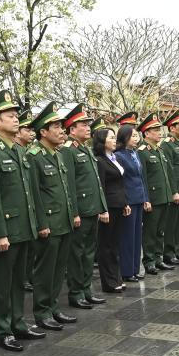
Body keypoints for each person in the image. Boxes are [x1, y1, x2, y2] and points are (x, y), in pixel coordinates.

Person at [0, 91, 44, 352]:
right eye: (10, 116)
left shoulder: (19, 151)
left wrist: (35, 223)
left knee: (18, 281)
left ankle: (18, 323)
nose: (16, 120)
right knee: (2, 284)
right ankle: (3, 330)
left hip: (23, 228)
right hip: (5, 231)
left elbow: (28, 193)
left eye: (17, 116)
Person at [27, 102, 80, 330]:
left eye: (61, 126)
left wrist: (73, 214)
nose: (61, 131)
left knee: (59, 269)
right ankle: (42, 311)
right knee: (45, 270)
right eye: (56, 127)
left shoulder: (58, 155)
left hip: (64, 221)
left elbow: (67, 189)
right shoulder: (34, 156)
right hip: (48, 223)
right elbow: (34, 194)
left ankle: (54, 307)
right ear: (43, 132)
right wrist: (41, 223)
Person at [60, 104, 108, 310]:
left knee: (89, 252)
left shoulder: (85, 149)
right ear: (71, 129)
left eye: (88, 124)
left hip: (92, 209)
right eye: (83, 125)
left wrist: (101, 207)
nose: (88, 128)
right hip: (80, 211)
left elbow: (96, 182)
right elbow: (69, 184)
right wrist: (74, 212)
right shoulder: (68, 151)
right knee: (77, 254)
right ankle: (76, 292)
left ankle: (87, 289)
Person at [138, 114, 178, 275]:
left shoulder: (160, 151)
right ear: (146, 133)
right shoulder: (143, 152)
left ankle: (158, 258)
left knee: (161, 230)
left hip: (164, 197)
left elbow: (168, 174)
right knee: (150, 232)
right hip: (153, 199)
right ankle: (149, 261)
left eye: (159, 129)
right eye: (155, 130)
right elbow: (144, 179)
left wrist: (172, 192)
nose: (159, 132)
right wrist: (146, 199)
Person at [93, 127, 128, 293]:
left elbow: (120, 183)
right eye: (111, 138)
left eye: (115, 138)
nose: (115, 140)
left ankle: (117, 277)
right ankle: (108, 282)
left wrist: (125, 203)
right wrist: (103, 209)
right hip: (108, 207)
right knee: (105, 245)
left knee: (115, 244)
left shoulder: (114, 158)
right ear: (102, 141)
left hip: (119, 205)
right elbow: (101, 186)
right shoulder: (100, 161)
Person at [117, 123, 149, 283]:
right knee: (127, 237)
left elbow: (142, 178)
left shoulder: (134, 153)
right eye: (133, 136)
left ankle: (135, 269)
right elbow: (120, 182)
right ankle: (127, 271)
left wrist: (146, 198)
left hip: (138, 198)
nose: (137, 138)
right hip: (128, 200)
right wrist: (124, 202)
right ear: (124, 138)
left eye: (137, 136)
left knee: (137, 236)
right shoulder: (119, 155)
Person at [160, 111, 179, 265]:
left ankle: (178, 250)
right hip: (176, 191)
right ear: (172, 127)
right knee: (171, 224)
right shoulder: (167, 145)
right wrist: (174, 191)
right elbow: (169, 170)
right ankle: (169, 253)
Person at [15, 111, 37, 292]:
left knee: (29, 253)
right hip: (12, 220)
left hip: (27, 215)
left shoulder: (24, 152)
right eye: (27, 129)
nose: (32, 133)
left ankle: (26, 277)